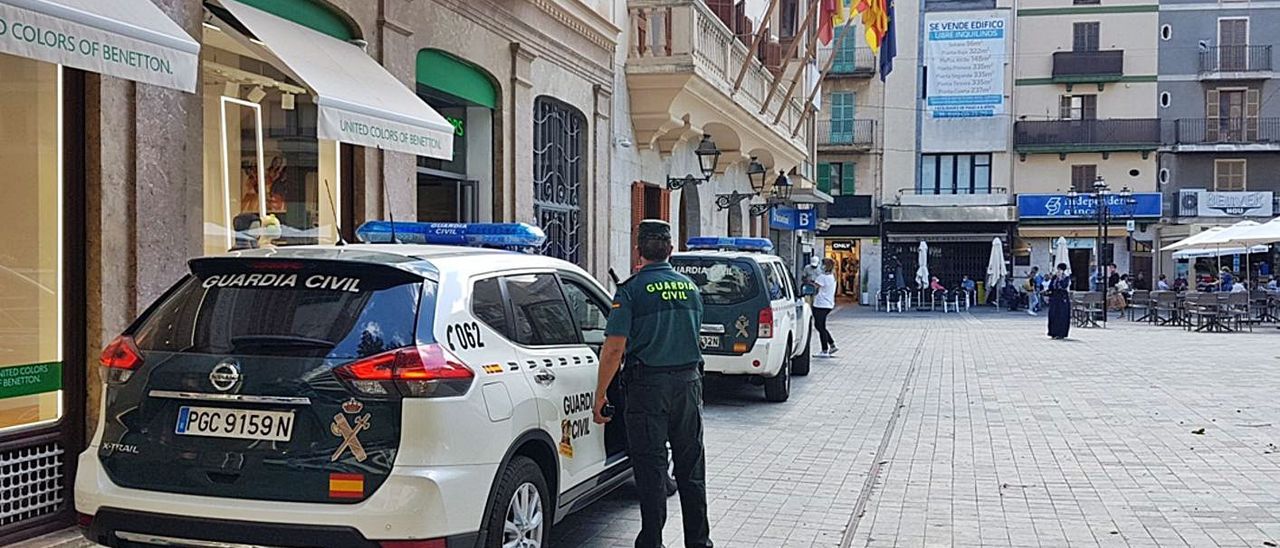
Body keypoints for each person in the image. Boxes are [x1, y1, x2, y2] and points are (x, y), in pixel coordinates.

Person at [593, 220, 712, 548]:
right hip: (688, 385)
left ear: (638, 251)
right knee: (691, 468)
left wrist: (600, 394)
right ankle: (699, 542)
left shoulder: (631, 290)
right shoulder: (690, 287)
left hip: (648, 389)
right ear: (670, 250)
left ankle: (652, 541)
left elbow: (614, 348)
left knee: (651, 468)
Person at [812, 258, 839, 357]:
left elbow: (815, 287)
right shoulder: (833, 276)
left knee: (820, 326)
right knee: (820, 326)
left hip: (820, 304)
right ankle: (831, 344)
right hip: (828, 304)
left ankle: (825, 349)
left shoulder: (822, 277)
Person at [1047, 263, 1072, 339]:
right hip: (1054, 297)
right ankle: (1053, 332)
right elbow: (1051, 286)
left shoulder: (1066, 278)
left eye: (1060, 270)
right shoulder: (1054, 277)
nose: (1058, 271)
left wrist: (1060, 279)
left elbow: (1064, 286)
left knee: (1062, 315)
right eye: (1058, 269)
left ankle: (1061, 333)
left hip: (1062, 298)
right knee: (1053, 314)